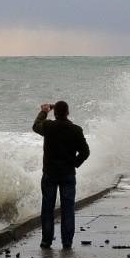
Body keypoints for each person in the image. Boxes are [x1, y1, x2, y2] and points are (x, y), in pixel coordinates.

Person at [33, 100, 89, 249]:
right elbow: (85, 152)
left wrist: (44, 111)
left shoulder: (48, 126)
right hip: (68, 174)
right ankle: (67, 242)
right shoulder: (75, 130)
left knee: (47, 207)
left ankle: (46, 240)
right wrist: (74, 163)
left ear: (55, 113)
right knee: (68, 208)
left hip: (50, 173)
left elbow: (35, 126)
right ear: (68, 113)